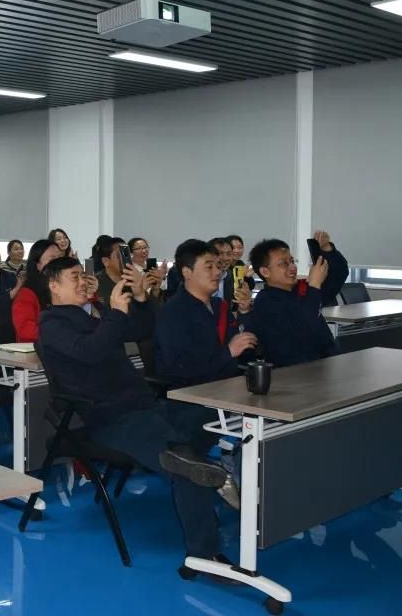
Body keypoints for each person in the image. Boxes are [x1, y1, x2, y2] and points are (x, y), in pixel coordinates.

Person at [38, 256, 236, 564]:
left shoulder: (93, 314)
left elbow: (141, 329)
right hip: (112, 418)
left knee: (214, 417)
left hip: (146, 405)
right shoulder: (52, 324)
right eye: (74, 277)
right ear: (54, 286)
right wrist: (115, 313)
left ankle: (202, 471)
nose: (83, 282)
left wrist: (141, 298)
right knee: (183, 460)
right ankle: (204, 554)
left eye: (83, 276)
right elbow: (89, 352)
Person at [155, 240, 257, 450]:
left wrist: (245, 312)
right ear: (187, 272)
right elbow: (179, 368)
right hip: (193, 399)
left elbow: (247, 351)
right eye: (209, 267)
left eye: (218, 266)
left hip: (227, 391)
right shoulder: (173, 312)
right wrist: (228, 352)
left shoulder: (220, 307)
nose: (217, 272)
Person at [244, 234, 344, 367]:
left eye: (292, 261)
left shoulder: (302, 289)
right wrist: (314, 286)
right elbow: (303, 329)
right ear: (265, 272)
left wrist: (328, 250)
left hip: (327, 363)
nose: (292, 267)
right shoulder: (265, 302)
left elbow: (338, 275)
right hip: (296, 371)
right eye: (283, 264)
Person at [11, 239, 60, 342]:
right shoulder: (26, 294)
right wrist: (62, 332)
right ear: (38, 265)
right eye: (53, 259)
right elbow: (26, 331)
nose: (59, 264)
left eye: (60, 259)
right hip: (35, 348)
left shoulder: (62, 289)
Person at [94, 235, 128, 308]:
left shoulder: (134, 281)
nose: (125, 259)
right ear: (106, 261)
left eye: (126, 255)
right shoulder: (94, 284)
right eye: (119, 256)